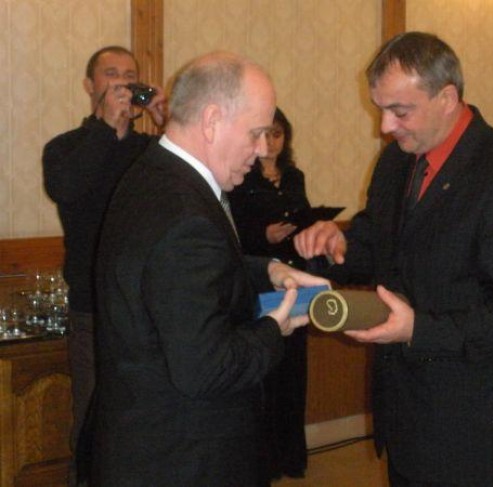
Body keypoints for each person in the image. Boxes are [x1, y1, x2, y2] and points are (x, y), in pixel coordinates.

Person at [294, 32, 493, 487]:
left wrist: (418, 329)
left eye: (400, 111)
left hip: (474, 428)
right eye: (380, 109)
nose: (385, 127)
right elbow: (379, 247)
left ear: (447, 98)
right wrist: (336, 245)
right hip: (406, 416)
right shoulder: (397, 161)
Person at [91, 50, 329, 487]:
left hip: (149, 445)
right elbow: (207, 369)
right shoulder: (185, 213)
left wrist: (268, 271)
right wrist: (273, 329)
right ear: (213, 120)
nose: (262, 150)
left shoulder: (155, 174)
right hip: (186, 459)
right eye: (256, 133)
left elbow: (177, 274)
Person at [42, 45, 166, 486]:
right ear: (89, 86)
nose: (122, 84)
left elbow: (199, 185)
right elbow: (67, 189)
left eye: (130, 76)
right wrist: (104, 128)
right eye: (111, 75)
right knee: (93, 417)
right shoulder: (65, 148)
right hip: (92, 309)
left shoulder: (153, 150)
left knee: (146, 417)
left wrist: (170, 123)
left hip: (147, 308)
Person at [229, 107, 311, 479]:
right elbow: (236, 234)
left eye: (279, 134)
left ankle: (291, 457)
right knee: (266, 370)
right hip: (260, 278)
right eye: (267, 134)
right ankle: (266, 461)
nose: (272, 142)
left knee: (294, 370)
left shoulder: (294, 176)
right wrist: (265, 235)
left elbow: (303, 216)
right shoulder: (242, 176)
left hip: (295, 273)